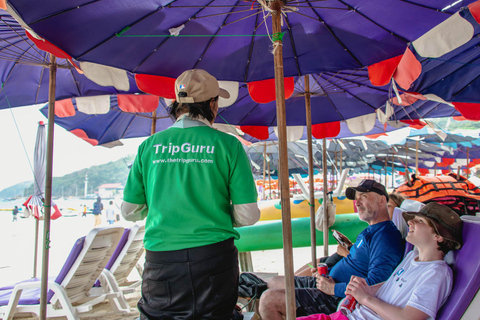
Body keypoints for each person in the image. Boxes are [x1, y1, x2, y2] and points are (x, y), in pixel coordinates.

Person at [121, 69, 260, 320]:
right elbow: (248, 215)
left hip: (161, 260)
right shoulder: (229, 144)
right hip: (213, 258)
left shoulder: (148, 146)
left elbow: (130, 212)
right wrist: (213, 212)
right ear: (212, 104)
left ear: (176, 104)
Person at [259, 179, 405, 319]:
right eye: (356, 198)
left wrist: (333, 288)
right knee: (274, 282)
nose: (357, 203)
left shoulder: (385, 237)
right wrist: (327, 273)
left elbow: (375, 284)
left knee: (269, 300)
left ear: (382, 200)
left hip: (338, 298)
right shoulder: (371, 230)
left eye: (364, 196)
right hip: (330, 283)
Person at [297, 202, 463, 320]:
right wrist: (364, 289)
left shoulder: (436, 274)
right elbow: (392, 285)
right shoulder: (412, 257)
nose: (410, 222)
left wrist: (365, 298)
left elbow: (408, 318)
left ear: (438, 237)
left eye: (420, 221)